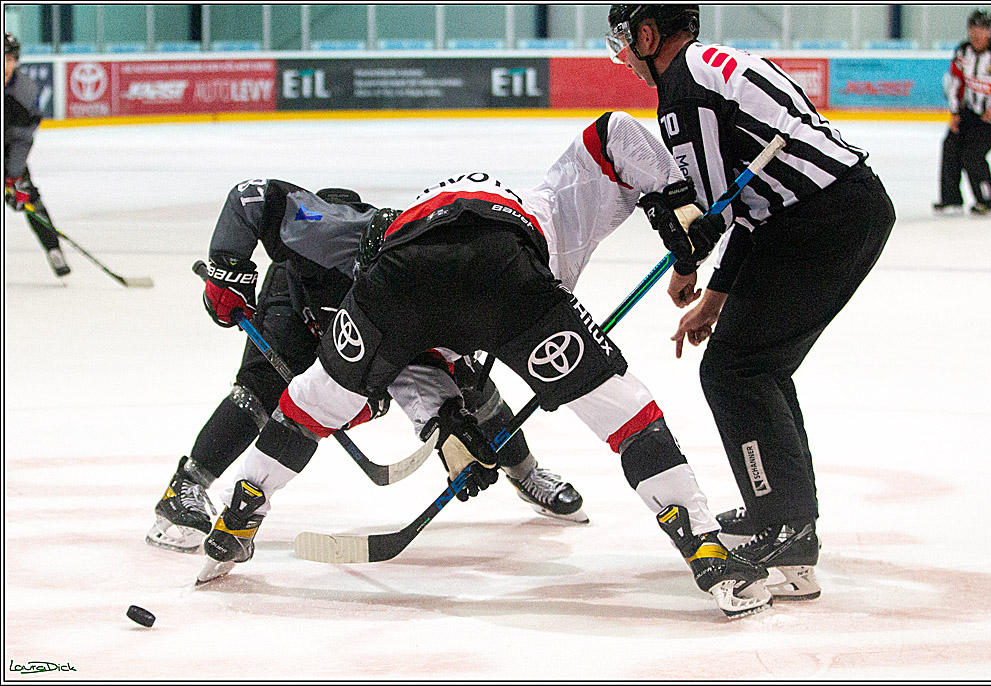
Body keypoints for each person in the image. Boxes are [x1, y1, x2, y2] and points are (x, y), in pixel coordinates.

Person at [196, 112, 774, 619]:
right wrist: (672, 199)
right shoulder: (546, 208)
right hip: (508, 275)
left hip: (398, 286)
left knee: (312, 403)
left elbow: (256, 197)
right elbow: (613, 133)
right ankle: (705, 548)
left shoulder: (367, 234)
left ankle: (239, 515)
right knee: (626, 412)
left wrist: (445, 423)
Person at [606, 5, 895, 600]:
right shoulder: (718, 64)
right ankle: (782, 513)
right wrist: (714, 297)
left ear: (647, 33)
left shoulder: (683, 91)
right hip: (834, 212)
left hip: (820, 223)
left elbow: (712, 213)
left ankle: (787, 527)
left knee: (738, 369)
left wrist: (689, 265)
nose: (624, 55)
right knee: (756, 365)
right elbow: (753, 205)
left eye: (625, 39)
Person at [146, 183, 589, 555]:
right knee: (260, 389)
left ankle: (526, 473)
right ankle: (184, 486)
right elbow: (251, 197)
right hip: (296, 305)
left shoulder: (413, 281)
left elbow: (423, 374)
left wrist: (445, 426)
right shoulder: (328, 234)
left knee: (469, 380)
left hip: (375, 319)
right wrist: (227, 269)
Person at [933, 10, 991, 216]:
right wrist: (955, 111)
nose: (976, 35)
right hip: (970, 111)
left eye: (981, 30)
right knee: (951, 145)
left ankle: (988, 199)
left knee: (973, 154)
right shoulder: (964, 52)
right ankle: (950, 199)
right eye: (973, 29)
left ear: (990, 32)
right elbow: (955, 83)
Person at [4, 32, 70, 277]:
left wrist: (13, 176)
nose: (5, 64)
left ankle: (54, 249)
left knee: (27, 196)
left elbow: (22, 139)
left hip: (9, 152)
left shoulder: (25, 91)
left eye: (9, 58)